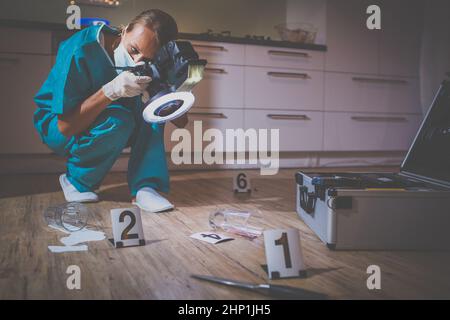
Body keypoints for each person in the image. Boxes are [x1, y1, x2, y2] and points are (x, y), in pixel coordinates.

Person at [33, 9, 186, 212]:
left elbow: (182, 122)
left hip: (115, 121)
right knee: (118, 119)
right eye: (133, 50)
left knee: (154, 112)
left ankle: (145, 187)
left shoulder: (158, 64)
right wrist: (110, 91)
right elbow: (65, 127)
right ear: (124, 30)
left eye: (146, 59)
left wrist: (168, 90)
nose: (136, 60)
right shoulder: (82, 47)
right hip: (59, 125)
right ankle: (77, 181)